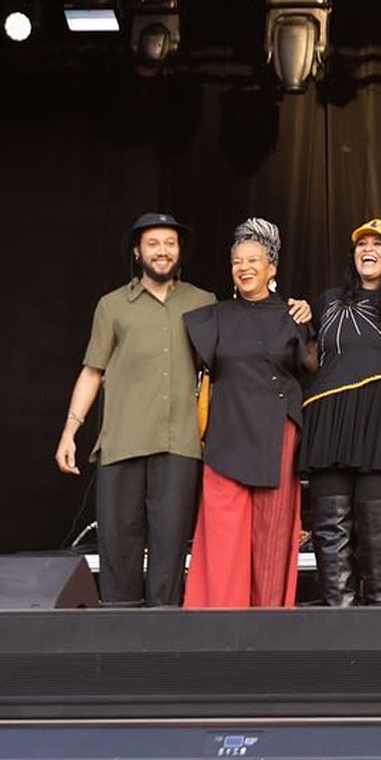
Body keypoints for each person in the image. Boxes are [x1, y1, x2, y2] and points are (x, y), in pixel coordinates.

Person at [54, 212, 308, 607]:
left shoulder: (202, 303)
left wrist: (299, 309)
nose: (162, 251)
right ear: (137, 252)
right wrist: (71, 430)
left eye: (169, 244)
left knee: (171, 551)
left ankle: (168, 641)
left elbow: (281, 348)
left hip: (180, 445)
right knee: (118, 549)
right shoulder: (114, 305)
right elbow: (92, 371)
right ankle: (121, 638)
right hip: (122, 441)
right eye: (153, 244)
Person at [182, 218, 316, 608]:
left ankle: (267, 628)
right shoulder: (212, 316)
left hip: (277, 431)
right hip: (227, 432)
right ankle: (218, 626)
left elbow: (315, 367)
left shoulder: (295, 315)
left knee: (272, 537)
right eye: (238, 261)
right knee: (223, 534)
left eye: (254, 260)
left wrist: (310, 322)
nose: (245, 268)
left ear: (272, 267)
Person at [300, 218, 381, 606]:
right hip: (332, 422)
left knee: (380, 536)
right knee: (331, 531)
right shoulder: (328, 302)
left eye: (378, 244)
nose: (367, 249)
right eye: (361, 244)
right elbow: (311, 358)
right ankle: (339, 630)